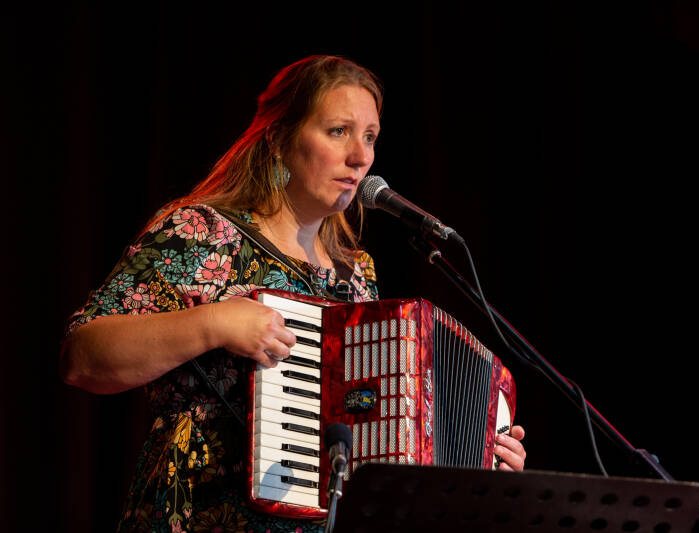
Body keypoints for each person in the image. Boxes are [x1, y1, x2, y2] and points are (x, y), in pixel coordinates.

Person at [60, 55, 527, 533]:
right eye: (338, 131)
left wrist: (474, 464)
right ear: (279, 139)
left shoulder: (356, 276)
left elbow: (375, 442)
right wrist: (213, 323)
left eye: (370, 137)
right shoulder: (204, 233)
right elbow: (83, 357)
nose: (360, 157)